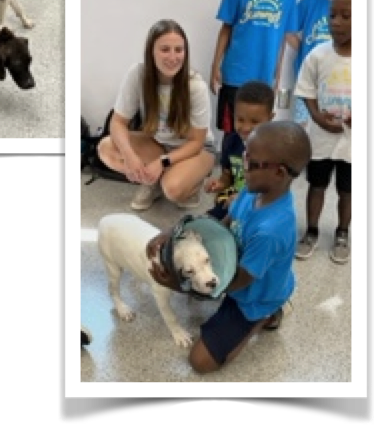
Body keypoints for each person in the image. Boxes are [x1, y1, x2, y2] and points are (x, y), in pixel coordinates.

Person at [147, 120, 312, 374]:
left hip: (253, 295)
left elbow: (237, 281)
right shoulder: (253, 188)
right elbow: (220, 226)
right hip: (244, 273)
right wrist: (175, 232)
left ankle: (265, 316)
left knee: (200, 363)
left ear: (279, 172)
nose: (242, 164)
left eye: (251, 161)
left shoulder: (271, 230)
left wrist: (178, 285)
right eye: (246, 154)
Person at [96, 19, 216, 211]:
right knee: (106, 148)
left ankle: (191, 183)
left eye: (179, 50)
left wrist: (162, 162)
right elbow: (118, 122)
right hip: (158, 143)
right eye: (165, 49)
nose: (173, 56)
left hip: (195, 149)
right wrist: (129, 156)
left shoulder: (195, 86)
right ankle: (153, 180)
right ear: (151, 51)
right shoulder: (137, 74)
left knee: (173, 189)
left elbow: (196, 142)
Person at [293, 0, 351, 264]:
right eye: (332, 15)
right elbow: (306, 90)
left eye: (347, 15)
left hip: (352, 143)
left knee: (347, 190)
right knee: (316, 186)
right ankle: (311, 231)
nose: (336, 23)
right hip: (321, 137)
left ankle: (342, 233)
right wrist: (317, 116)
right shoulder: (317, 54)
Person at [209, 0, 298, 155]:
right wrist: (215, 66)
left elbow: (283, 37)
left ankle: (253, 177)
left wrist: (278, 76)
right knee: (232, 133)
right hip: (235, 74)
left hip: (264, 78)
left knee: (260, 135)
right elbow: (226, 28)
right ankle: (228, 175)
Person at [285, 0, 350, 127]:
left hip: (339, 80)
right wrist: (303, 50)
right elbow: (289, 29)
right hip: (310, 80)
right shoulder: (310, 1)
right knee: (303, 126)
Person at [205, 80, 275, 221]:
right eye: (240, 119)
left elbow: (274, 192)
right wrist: (220, 184)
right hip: (232, 200)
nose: (246, 127)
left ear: (270, 119)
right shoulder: (231, 142)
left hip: (261, 206)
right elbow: (227, 177)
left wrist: (243, 199)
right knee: (205, 224)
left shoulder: (274, 151)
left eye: (254, 121)